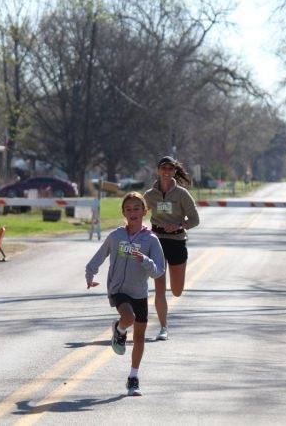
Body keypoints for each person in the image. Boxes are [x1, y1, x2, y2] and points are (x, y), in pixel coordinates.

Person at [85, 192, 165, 396]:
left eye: (137, 208)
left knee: (139, 338)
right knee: (128, 317)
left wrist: (144, 260)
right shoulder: (116, 236)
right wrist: (90, 274)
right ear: (123, 212)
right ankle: (120, 329)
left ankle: (133, 378)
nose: (133, 212)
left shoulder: (151, 240)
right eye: (128, 209)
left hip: (139, 292)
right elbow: (99, 256)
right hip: (118, 289)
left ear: (144, 211)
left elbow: (158, 271)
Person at [144, 156, 199, 341]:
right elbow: (137, 211)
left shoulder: (182, 194)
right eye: (163, 168)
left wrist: (179, 225)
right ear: (158, 171)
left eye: (170, 169)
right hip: (156, 241)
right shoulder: (150, 195)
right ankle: (163, 327)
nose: (166, 172)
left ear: (175, 171)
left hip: (176, 241)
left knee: (176, 290)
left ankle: (164, 323)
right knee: (160, 289)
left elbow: (195, 220)